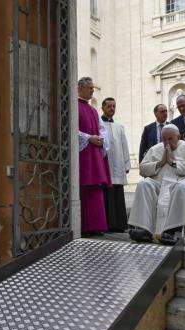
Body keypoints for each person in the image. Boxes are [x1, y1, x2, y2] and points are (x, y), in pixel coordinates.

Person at [129, 124, 185, 244]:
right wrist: (161, 162)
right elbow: (142, 169)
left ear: (178, 137)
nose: (167, 142)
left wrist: (173, 163)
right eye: (164, 139)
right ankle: (145, 229)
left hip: (181, 181)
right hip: (159, 183)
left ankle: (171, 231)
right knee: (144, 185)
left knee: (181, 188)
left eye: (170, 139)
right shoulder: (155, 149)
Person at [77, 77, 113, 236]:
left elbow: (102, 129)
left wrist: (101, 140)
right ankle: (85, 226)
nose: (92, 90)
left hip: (94, 153)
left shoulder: (93, 110)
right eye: (90, 88)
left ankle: (97, 225)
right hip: (84, 153)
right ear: (81, 88)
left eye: (92, 88)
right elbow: (71, 129)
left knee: (96, 188)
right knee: (84, 187)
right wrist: (88, 138)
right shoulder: (74, 106)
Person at [101, 97, 131, 232]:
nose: (112, 109)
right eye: (109, 106)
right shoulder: (98, 125)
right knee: (106, 194)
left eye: (114, 106)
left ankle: (119, 224)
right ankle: (107, 224)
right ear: (103, 107)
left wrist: (126, 163)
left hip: (118, 164)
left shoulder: (119, 127)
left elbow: (125, 146)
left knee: (118, 194)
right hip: (105, 164)